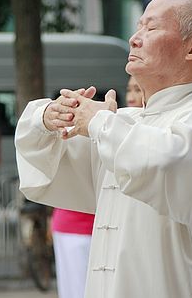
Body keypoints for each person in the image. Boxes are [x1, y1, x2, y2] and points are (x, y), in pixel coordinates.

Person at [15, 0, 192, 298]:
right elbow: (49, 164)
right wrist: (50, 118)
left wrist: (98, 121)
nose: (135, 38)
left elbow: (159, 159)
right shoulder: (125, 123)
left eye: (152, 27)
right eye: (138, 27)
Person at [52, 76, 144, 298]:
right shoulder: (84, 133)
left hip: (111, 226)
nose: (132, 96)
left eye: (138, 90)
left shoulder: (133, 136)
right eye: (130, 89)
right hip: (73, 225)